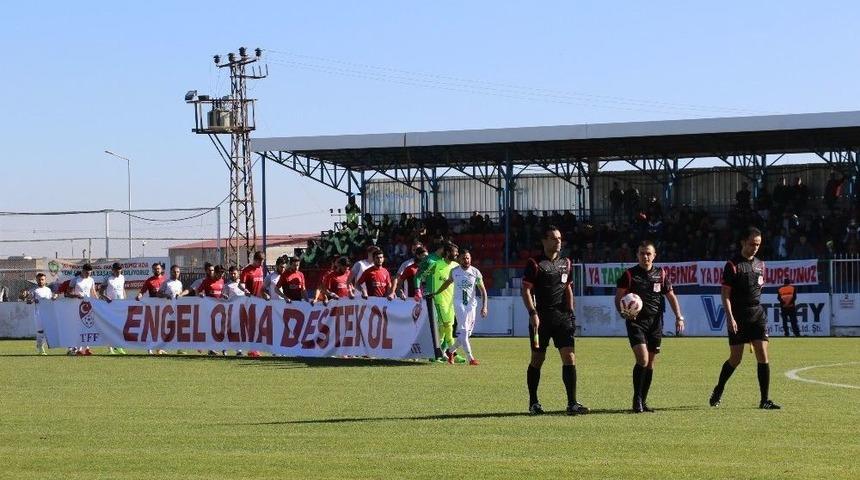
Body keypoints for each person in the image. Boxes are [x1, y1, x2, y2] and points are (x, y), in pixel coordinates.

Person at [709, 227, 781, 410]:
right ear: (743, 242)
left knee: (763, 355)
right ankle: (718, 389)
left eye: (758, 244)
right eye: (752, 244)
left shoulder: (760, 265)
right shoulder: (732, 265)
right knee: (735, 359)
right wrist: (730, 317)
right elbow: (725, 294)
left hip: (757, 314)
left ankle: (764, 400)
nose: (755, 247)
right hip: (739, 316)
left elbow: (758, 289)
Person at [522, 225, 588, 416]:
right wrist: (532, 313)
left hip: (562, 318)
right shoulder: (534, 263)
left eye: (559, 238)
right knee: (538, 358)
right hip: (541, 318)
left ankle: (572, 403)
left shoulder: (566, 263)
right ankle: (534, 402)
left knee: (569, 357)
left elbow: (568, 288)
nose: (558, 241)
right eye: (553, 238)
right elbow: (526, 290)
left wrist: (571, 312)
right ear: (544, 241)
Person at [615, 240, 685, 413]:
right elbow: (618, 298)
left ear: (654, 256)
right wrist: (623, 312)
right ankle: (636, 399)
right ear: (637, 255)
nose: (645, 256)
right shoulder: (629, 274)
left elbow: (670, 296)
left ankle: (643, 400)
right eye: (641, 253)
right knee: (643, 359)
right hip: (635, 322)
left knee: (650, 363)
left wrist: (679, 316)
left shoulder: (660, 274)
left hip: (655, 323)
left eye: (648, 253)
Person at [429, 249, 487, 365]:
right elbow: (447, 283)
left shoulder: (475, 272)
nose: (466, 260)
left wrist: (484, 306)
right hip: (459, 303)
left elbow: (483, 291)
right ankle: (471, 358)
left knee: (467, 334)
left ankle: (450, 351)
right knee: (464, 332)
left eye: (468, 258)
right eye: (464, 258)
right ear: (459, 259)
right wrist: (436, 292)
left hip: (471, 305)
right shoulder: (454, 271)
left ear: (470, 259)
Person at [424, 243, 463, 363]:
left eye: (457, 252)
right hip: (440, 300)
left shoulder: (457, 266)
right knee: (447, 326)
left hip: (452, 301)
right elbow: (422, 275)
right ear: (447, 253)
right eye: (454, 252)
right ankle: (453, 353)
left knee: (442, 328)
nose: (456, 254)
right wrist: (425, 290)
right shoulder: (436, 265)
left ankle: (435, 354)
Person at [65, 264, 98, 355]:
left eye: (90, 273)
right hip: (76, 307)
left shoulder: (91, 280)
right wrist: (76, 295)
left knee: (87, 326)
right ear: (83, 271)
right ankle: (77, 349)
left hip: (88, 307)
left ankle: (86, 348)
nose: (88, 274)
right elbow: (67, 293)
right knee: (78, 327)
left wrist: (98, 302)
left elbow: (93, 292)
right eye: (86, 272)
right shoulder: (75, 280)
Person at [100, 262, 127, 355]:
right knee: (110, 327)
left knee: (120, 328)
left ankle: (119, 347)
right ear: (113, 270)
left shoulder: (122, 277)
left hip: (120, 306)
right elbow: (100, 291)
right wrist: (105, 297)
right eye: (117, 271)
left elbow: (123, 289)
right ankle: (110, 348)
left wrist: (125, 300)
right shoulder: (108, 278)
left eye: (120, 271)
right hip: (110, 306)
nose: (119, 273)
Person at [26, 272, 57, 355]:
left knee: (48, 331)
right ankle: (40, 348)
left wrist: (54, 297)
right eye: (39, 279)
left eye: (42, 279)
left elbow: (51, 299)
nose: (40, 281)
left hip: (48, 313)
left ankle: (40, 345)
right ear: (36, 280)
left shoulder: (48, 290)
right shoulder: (34, 290)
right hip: (38, 313)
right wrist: (32, 300)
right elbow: (28, 301)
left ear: (45, 280)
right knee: (40, 331)